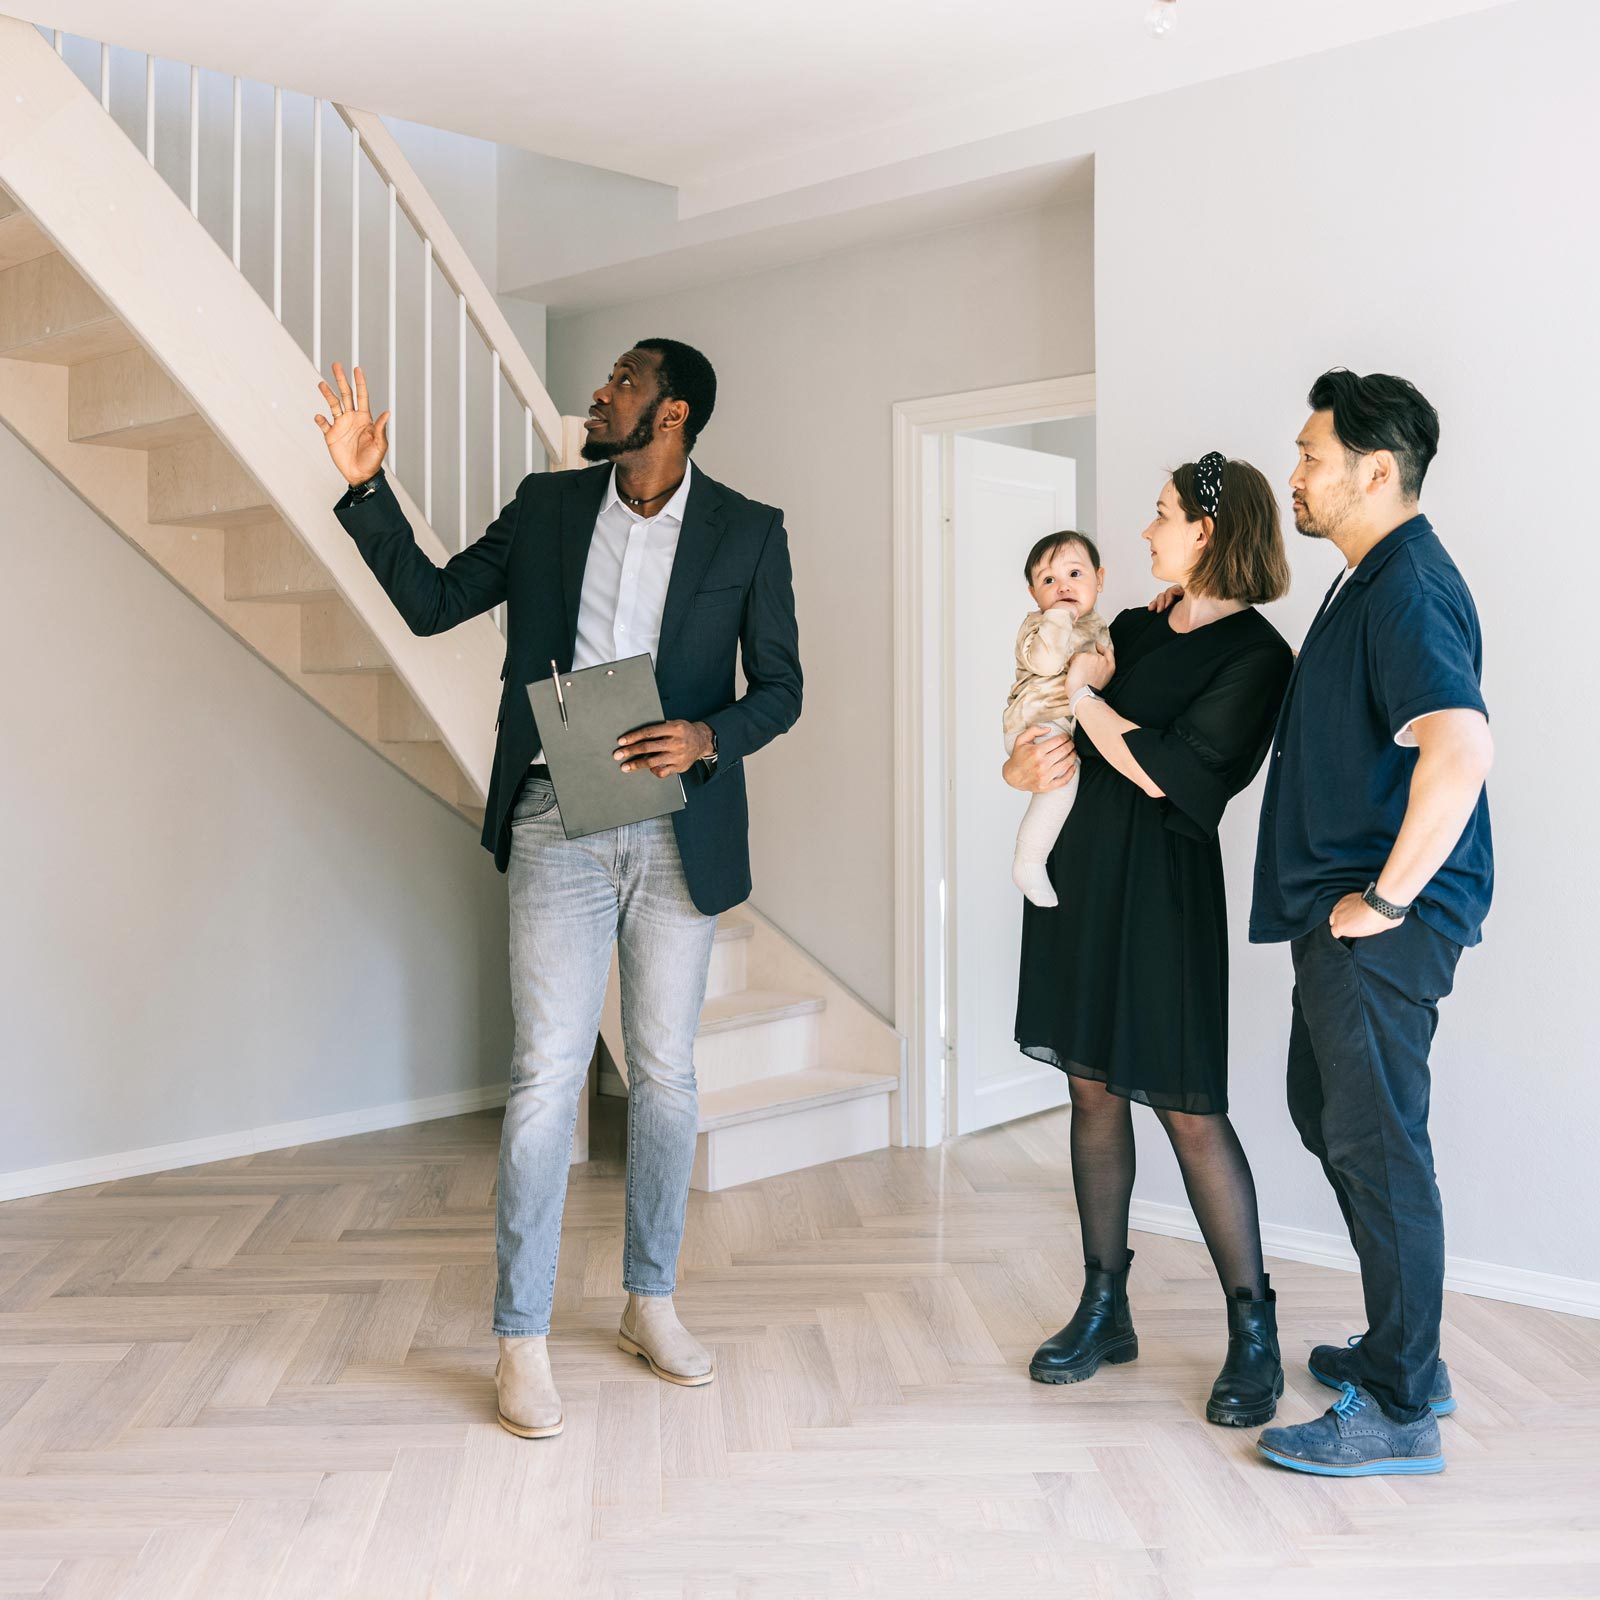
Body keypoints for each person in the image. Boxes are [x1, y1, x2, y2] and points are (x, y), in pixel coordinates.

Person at [314, 341, 802, 1440]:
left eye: (623, 381)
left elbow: (781, 688)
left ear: (671, 413)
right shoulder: (546, 507)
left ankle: (649, 1300)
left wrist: (708, 736)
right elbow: (435, 602)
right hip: (555, 815)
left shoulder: (748, 530)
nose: (599, 391)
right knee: (546, 1077)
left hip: (679, 827)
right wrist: (366, 486)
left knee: (666, 1076)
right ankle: (521, 1338)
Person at [1009, 453, 1294, 1427]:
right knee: (1089, 1087)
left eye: (1162, 513)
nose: (1145, 529)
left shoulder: (1259, 656)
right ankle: (1105, 1307)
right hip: (1081, 877)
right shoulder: (1128, 628)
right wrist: (1024, 759)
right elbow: (1050, 738)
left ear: (1207, 531)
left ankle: (1252, 1332)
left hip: (1164, 896)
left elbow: (1173, 773)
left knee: (1186, 1106)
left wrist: (1088, 703)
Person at [1249, 369, 1493, 1477]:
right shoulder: (1370, 576)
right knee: (1330, 1115)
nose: (1295, 474)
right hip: (1345, 916)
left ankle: (1398, 1406)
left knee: (1380, 1146)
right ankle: (1408, 1355)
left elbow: (1460, 746)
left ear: (1374, 470)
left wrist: (1387, 900)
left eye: (1311, 456)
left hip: (1382, 923)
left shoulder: (1408, 585)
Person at [1004, 532, 1113, 908]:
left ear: (1099, 579)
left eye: (1075, 574)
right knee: (1062, 781)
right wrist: (1059, 616)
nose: (1063, 586)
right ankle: (1029, 859)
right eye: (1049, 580)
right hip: (1037, 722)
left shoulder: (1098, 625)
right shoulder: (1037, 626)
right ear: (1034, 594)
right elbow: (1048, 662)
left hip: (1066, 724)